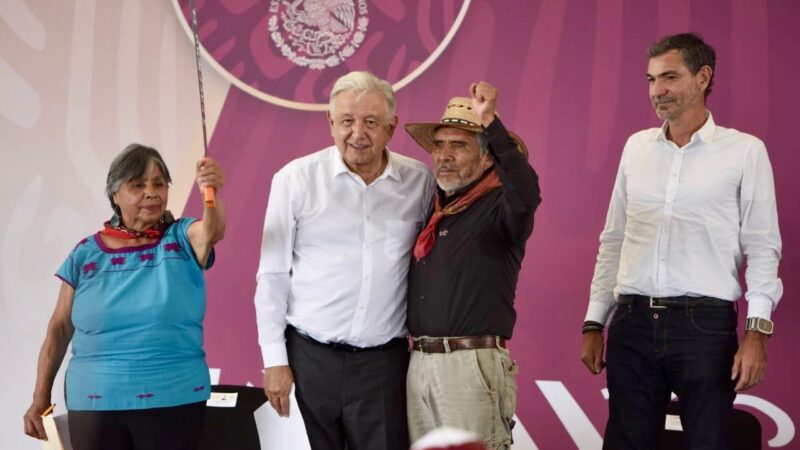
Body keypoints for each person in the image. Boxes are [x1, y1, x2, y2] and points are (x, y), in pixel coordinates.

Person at [580, 32, 782, 449]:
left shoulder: (745, 151)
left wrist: (757, 333)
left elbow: (763, 247)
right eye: (651, 79)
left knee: (710, 443)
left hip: (704, 327)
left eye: (669, 77)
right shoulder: (636, 148)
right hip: (631, 322)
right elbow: (614, 238)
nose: (658, 90)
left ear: (703, 77)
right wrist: (594, 321)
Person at [254, 70, 435, 450]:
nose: (358, 133)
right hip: (308, 359)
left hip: (384, 365)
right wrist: (275, 360)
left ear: (391, 127)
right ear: (330, 124)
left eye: (371, 122)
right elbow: (272, 275)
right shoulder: (295, 180)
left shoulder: (420, 183)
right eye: (347, 121)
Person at [23, 144, 226, 450]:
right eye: (138, 185)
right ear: (115, 194)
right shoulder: (85, 253)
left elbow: (213, 231)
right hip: (92, 403)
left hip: (172, 397)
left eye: (159, 184)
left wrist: (211, 196)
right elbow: (59, 328)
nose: (151, 193)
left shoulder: (183, 236)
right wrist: (40, 399)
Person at [404, 81, 541, 450]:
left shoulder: (502, 207)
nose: (445, 154)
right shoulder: (435, 209)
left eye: (459, 145)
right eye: (440, 144)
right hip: (419, 363)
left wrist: (491, 123)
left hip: (470, 365)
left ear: (486, 157)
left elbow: (527, 192)